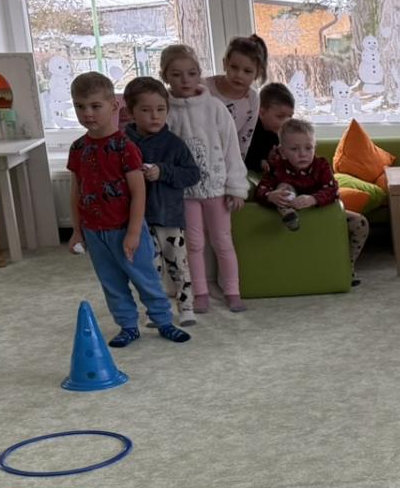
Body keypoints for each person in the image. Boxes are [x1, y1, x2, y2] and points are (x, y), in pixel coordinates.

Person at [66, 72, 189, 346]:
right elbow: (76, 191)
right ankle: (127, 326)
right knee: (111, 282)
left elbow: (138, 191)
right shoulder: (78, 148)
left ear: (113, 106)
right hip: (94, 232)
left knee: (145, 278)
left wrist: (133, 232)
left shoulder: (125, 147)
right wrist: (76, 230)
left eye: (95, 106)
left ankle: (164, 321)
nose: (87, 113)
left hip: (125, 229)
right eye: (80, 106)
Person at [161, 42, 249, 315]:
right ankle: (200, 292)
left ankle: (232, 290)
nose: (185, 80)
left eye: (191, 73)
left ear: (199, 74)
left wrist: (236, 187)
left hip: (217, 190)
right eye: (176, 75)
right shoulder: (166, 111)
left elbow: (231, 149)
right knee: (193, 244)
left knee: (223, 241)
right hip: (185, 193)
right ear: (165, 77)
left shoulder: (215, 108)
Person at [252, 118, 369, 285]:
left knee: (361, 223)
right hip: (291, 214)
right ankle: (288, 214)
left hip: (322, 213)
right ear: (283, 151)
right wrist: (270, 196)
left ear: (315, 147)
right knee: (284, 187)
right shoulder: (277, 168)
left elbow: (332, 190)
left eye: (308, 148)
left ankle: (347, 266)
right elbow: (260, 190)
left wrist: (313, 199)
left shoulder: (321, 166)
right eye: (294, 149)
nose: (302, 154)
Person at [124, 76, 202, 325]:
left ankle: (186, 307)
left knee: (178, 265)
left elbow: (192, 175)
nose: (154, 116)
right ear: (131, 112)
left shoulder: (174, 144)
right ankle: (157, 311)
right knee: (149, 269)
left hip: (170, 218)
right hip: (139, 221)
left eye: (160, 109)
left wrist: (163, 172)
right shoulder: (123, 144)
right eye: (146, 110)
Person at [207, 33, 267, 157]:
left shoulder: (252, 99)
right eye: (234, 67)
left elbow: (244, 140)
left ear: (258, 73)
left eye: (247, 71)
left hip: (227, 158)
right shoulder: (204, 87)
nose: (239, 75)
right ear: (225, 64)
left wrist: (238, 165)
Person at [246, 82, 295, 174]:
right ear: (262, 113)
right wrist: (259, 162)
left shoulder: (280, 132)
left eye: (290, 116)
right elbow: (243, 156)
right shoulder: (249, 130)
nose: (286, 122)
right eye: (280, 116)